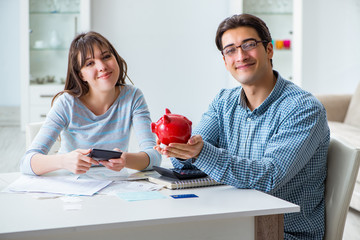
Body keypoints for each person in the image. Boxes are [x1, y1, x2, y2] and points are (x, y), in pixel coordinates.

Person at [155, 14, 329, 239]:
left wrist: (200, 152)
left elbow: (269, 177)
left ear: (269, 50)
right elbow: (192, 157)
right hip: (233, 221)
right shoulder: (223, 102)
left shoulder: (303, 109)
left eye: (249, 45)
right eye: (230, 50)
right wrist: (178, 147)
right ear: (225, 61)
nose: (241, 56)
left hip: (280, 232)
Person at [21, 31, 161, 176]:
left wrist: (126, 159)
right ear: (81, 75)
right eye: (89, 63)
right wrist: (63, 161)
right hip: (71, 188)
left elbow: (155, 157)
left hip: (115, 186)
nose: (102, 67)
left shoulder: (133, 97)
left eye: (106, 56)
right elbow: (26, 163)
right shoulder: (66, 104)